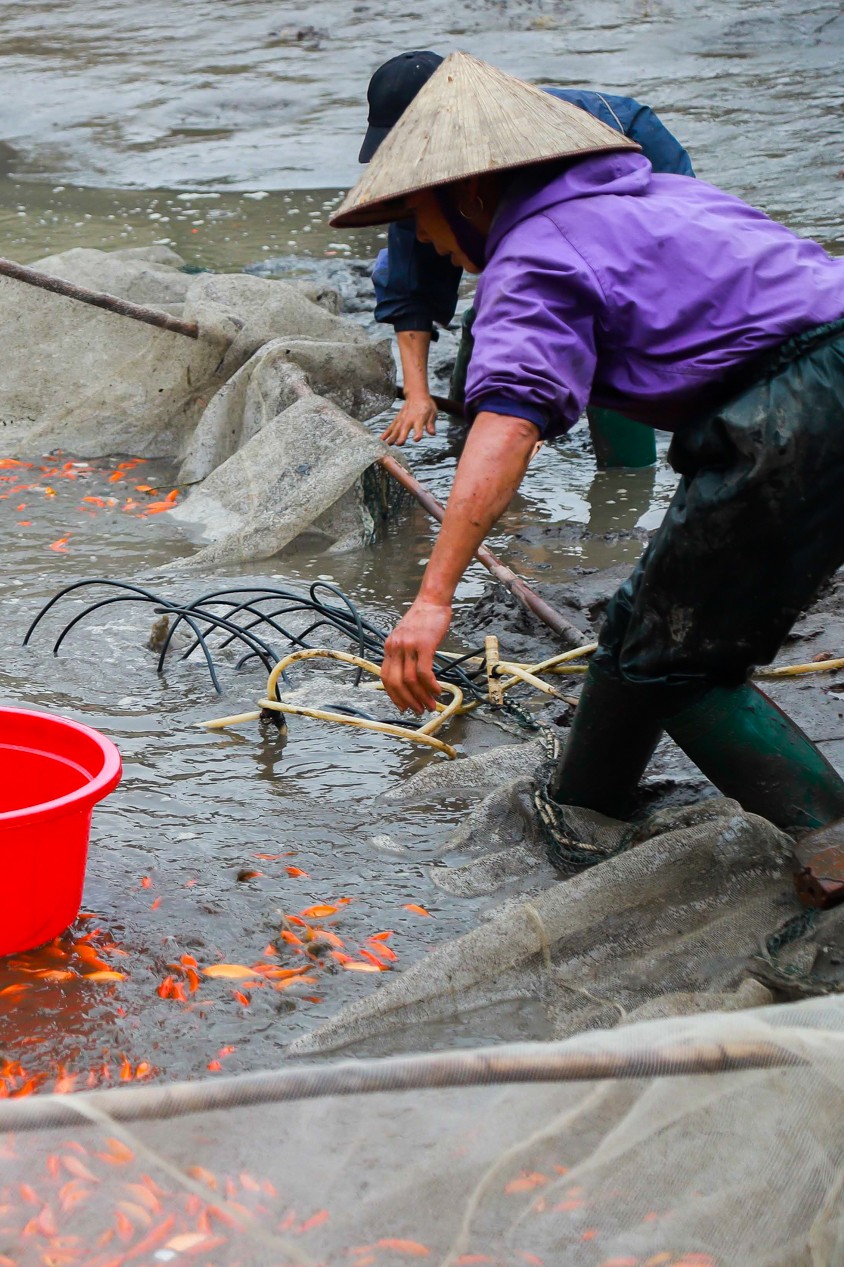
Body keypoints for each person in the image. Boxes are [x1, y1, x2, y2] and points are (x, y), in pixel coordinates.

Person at [330, 54, 844, 902]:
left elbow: (507, 430)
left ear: (470, 194)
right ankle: (584, 806)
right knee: (642, 629)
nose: (423, 241)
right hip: (810, 378)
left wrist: (432, 596)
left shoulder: (531, 256)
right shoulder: (660, 196)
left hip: (799, 407)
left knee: (673, 662)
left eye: (421, 214)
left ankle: (828, 830)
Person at [361, 50, 693, 469]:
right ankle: (472, 437)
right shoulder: (420, 177)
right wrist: (418, 394)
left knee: (609, 331)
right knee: (491, 313)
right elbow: (411, 283)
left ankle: (627, 478)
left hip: (625, 170)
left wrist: (525, 419)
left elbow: (562, 286)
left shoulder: (557, 137)